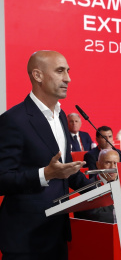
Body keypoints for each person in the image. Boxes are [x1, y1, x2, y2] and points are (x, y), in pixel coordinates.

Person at [0, 51, 92, 260]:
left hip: (57, 234)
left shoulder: (60, 115)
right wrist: (45, 174)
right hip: (26, 240)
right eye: (60, 71)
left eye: (68, 71)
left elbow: (65, 169)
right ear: (37, 75)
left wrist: (102, 187)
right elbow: (2, 179)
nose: (68, 78)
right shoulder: (13, 120)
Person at [75, 149, 119, 223]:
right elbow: (96, 216)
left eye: (115, 163)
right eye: (108, 163)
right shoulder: (88, 187)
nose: (113, 167)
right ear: (98, 165)